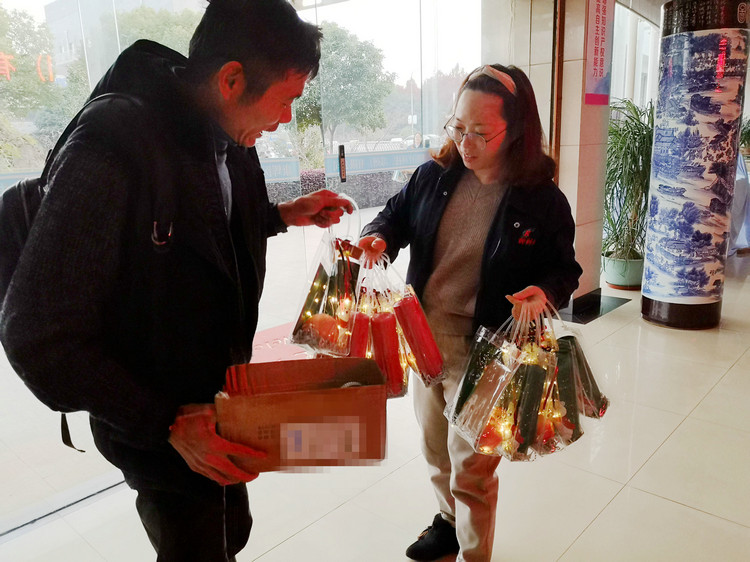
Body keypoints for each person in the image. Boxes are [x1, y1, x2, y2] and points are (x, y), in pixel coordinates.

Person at [0, 1, 352, 560]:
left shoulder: (228, 133)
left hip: (218, 399)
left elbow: (205, 229)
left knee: (231, 529)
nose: (286, 118)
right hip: (157, 421)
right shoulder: (113, 146)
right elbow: (36, 334)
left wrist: (283, 215)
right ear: (231, 79)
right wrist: (165, 421)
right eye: (285, 100)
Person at [358, 64, 582, 562]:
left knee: (472, 467)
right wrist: (379, 238)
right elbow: (393, 217)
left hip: (487, 351)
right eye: (458, 128)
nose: (465, 143)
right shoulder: (433, 177)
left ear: (516, 130)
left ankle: (475, 553)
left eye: (481, 132)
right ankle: (447, 525)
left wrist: (543, 291)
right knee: (435, 448)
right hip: (424, 339)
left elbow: (565, 270)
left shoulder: (541, 200)